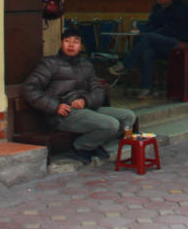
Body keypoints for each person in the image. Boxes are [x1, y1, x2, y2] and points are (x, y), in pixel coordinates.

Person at [22, 27, 136, 162]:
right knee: (111, 124)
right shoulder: (50, 63)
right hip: (64, 113)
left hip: (85, 108)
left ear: (81, 45)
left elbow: (98, 90)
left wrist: (85, 100)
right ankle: (81, 146)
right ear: (61, 43)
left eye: (75, 42)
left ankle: (93, 143)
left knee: (128, 117)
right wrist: (55, 106)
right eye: (67, 41)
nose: (71, 45)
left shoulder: (85, 64)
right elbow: (29, 88)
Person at [109, 0, 188, 98]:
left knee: (148, 37)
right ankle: (147, 89)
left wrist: (150, 34)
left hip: (178, 43)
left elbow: (172, 31)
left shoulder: (181, 9)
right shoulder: (157, 8)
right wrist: (141, 31)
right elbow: (150, 24)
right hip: (159, 43)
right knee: (147, 52)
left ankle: (126, 64)